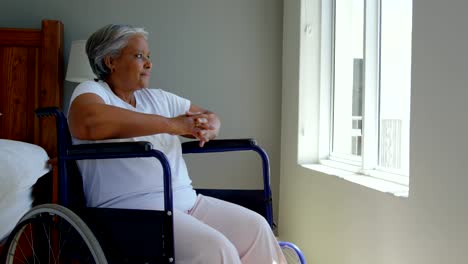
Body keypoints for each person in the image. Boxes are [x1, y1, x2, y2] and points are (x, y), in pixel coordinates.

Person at [68, 24, 286, 264]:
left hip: (188, 201)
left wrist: (207, 127)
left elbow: (209, 116)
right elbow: (87, 121)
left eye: (148, 57)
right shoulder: (92, 91)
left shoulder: (158, 98)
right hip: (133, 209)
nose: (149, 64)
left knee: (256, 228)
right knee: (216, 250)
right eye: (139, 56)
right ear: (111, 61)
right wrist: (173, 125)